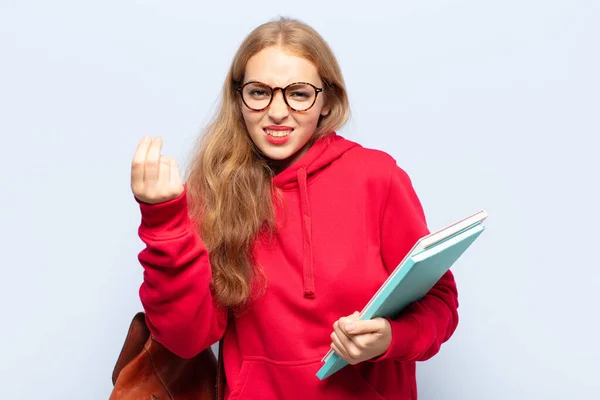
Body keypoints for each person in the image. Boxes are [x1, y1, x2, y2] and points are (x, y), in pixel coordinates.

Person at [130, 17, 458, 400]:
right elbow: (186, 338)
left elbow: (440, 303)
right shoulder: (216, 191)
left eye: (299, 94)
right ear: (239, 99)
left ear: (327, 101)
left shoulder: (377, 177)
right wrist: (163, 220)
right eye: (259, 92)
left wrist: (391, 337)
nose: (278, 112)